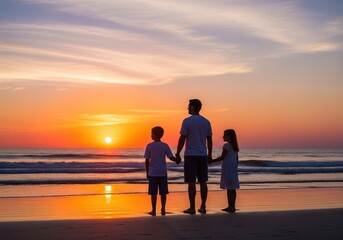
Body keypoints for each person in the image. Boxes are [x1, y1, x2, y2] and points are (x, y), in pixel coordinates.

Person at [176, 99, 212, 214]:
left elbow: (182, 139)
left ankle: (192, 207)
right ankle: (203, 206)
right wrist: (209, 154)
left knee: (191, 181)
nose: (187, 108)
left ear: (192, 107)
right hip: (202, 154)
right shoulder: (206, 122)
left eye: (188, 106)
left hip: (191, 155)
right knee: (203, 181)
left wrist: (177, 153)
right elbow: (209, 140)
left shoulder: (187, 121)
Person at [144, 126, 181, 216]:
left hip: (153, 172)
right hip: (162, 172)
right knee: (163, 192)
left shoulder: (149, 146)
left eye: (151, 133)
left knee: (153, 193)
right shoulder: (165, 145)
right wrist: (177, 160)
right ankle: (163, 209)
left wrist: (147, 172)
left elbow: (147, 160)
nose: (151, 135)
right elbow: (170, 157)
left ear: (154, 134)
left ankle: (153, 210)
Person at [209, 129, 240, 213]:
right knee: (232, 187)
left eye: (224, 135)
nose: (223, 136)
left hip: (228, 166)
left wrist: (212, 161)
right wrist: (236, 167)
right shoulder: (235, 146)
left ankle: (230, 206)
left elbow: (222, 157)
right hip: (233, 166)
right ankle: (232, 206)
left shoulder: (226, 145)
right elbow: (237, 159)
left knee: (229, 188)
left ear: (229, 137)